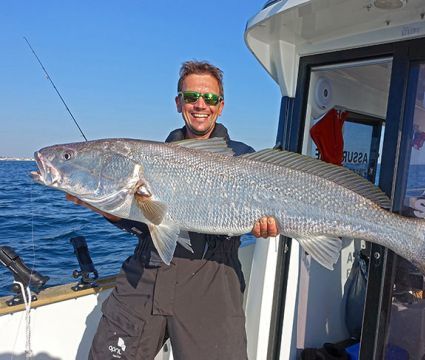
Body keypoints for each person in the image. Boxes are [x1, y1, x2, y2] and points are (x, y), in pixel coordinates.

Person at [68, 60, 278, 359]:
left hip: (213, 278)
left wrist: (266, 224)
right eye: (191, 97)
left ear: (221, 105)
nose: (200, 104)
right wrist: (104, 207)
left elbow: (257, 216)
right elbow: (147, 222)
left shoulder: (242, 159)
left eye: (210, 98)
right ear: (179, 102)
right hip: (148, 271)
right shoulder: (153, 158)